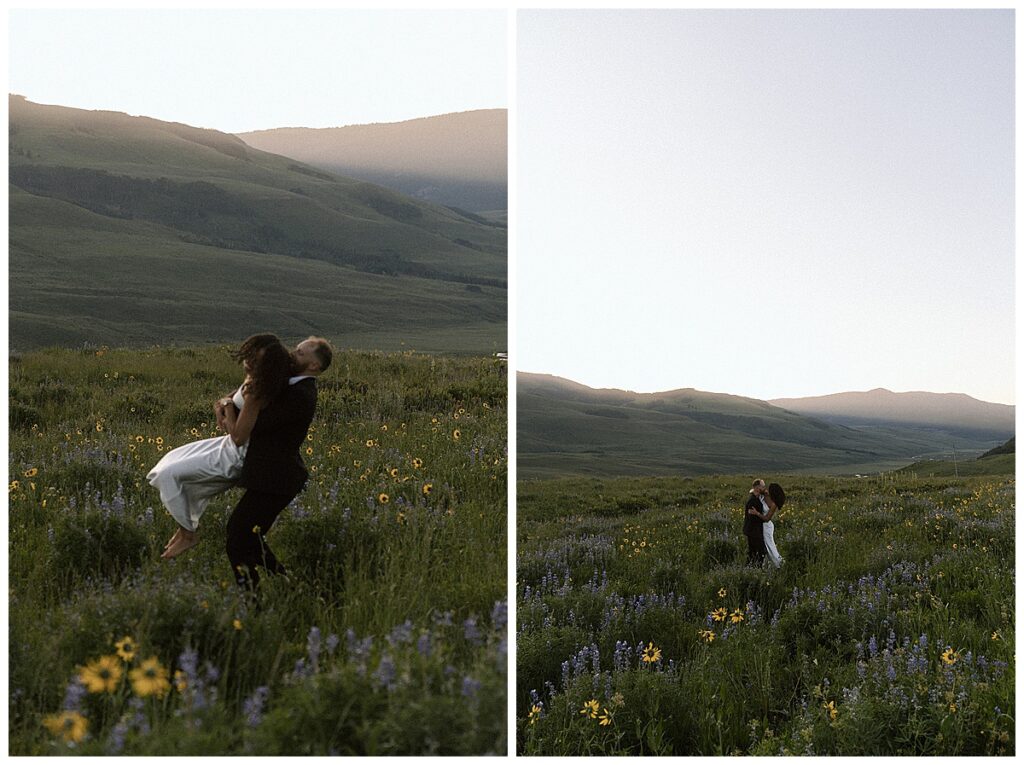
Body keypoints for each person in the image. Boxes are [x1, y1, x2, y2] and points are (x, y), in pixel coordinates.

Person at [148, 334, 293, 559]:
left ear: (267, 365)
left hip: (235, 455)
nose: (249, 360)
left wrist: (226, 411)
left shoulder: (258, 390)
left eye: (256, 359)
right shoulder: (253, 380)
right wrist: (225, 402)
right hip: (225, 446)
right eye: (251, 354)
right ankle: (186, 525)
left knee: (169, 474)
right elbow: (232, 398)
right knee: (168, 461)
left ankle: (189, 533)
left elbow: (238, 437)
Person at [224, 335, 332, 592]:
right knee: (249, 537)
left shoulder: (301, 395)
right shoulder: (290, 384)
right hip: (272, 477)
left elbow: (252, 428)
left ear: (314, 366)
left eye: (300, 353)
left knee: (237, 538)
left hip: (277, 480)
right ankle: (288, 582)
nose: (292, 354)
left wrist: (229, 406)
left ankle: (252, 599)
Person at [749, 482, 786, 568]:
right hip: (760, 526)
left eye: (768, 489)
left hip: (766, 526)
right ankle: (769, 565)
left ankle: (780, 564)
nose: (766, 489)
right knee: (764, 546)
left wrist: (757, 513)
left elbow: (767, 518)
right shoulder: (764, 495)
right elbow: (753, 491)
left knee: (770, 547)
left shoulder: (773, 504)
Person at [743, 479, 768, 565]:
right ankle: (755, 568)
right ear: (757, 488)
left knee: (753, 552)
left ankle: (750, 568)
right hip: (754, 531)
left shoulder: (756, 498)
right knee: (758, 552)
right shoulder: (752, 500)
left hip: (754, 530)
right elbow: (752, 518)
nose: (764, 488)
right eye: (762, 486)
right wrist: (761, 517)